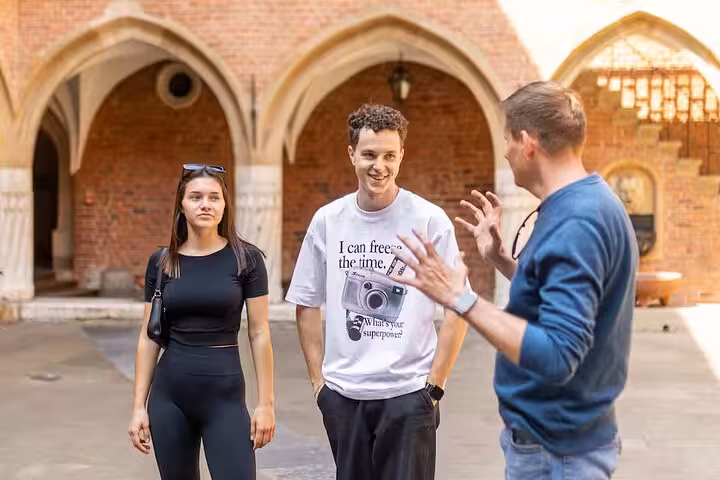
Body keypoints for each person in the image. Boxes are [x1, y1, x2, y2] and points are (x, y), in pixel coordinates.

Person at [391, 81, 638, 480]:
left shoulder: (578, 221)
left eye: (505, 139)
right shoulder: (585, 203)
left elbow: (559, 354)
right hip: (561, 442)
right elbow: (564, 300)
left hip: (557, 453)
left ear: (526, 142)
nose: (504, 151)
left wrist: (461, 298)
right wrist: (501, 259)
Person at [285, 103, 468, 480]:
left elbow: (459, 305)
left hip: (409, 392)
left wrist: (434, 386)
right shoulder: (328, 221)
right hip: (344, 395)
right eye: (369, 154)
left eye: (389, 155)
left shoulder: (429, 219)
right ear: (351, 154)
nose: (379, 166)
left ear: (402, 156)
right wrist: (321, 385)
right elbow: (306, 303)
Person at [128, 164, 275, 480]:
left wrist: (266, 404)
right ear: (181, 204)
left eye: (214, 197)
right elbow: (148, 336)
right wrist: (138, 406)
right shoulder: (163, 262)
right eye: (195, 197)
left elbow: (260, 332)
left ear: (225, 206)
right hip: (170, 397)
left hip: (225, 397)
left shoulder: (246, 259)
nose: (205, 204)